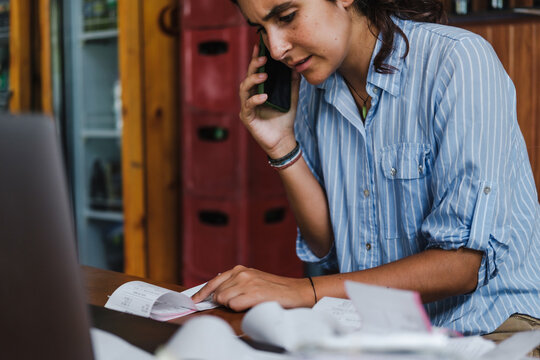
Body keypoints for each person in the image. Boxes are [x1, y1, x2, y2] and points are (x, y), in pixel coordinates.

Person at [193, 0, 540, 342]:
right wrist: (282, 146)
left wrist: (304, 291)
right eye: (261, 30)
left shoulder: (459, 60)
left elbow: (461, 266)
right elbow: (327, 244)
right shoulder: (316, 87)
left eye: (286, 16)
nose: (277, 48)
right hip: (380, 334)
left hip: (488, 330)